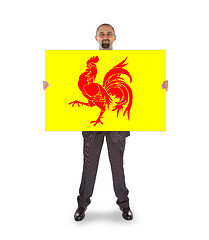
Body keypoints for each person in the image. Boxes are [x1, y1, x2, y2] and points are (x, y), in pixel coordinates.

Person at [43, 23, 168, 222]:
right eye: (102, 34)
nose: (105, 36)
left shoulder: (130, 61)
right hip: (92, 124)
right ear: (96, 38)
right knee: (89, 165)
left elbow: (142, 86)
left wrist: (158, 86)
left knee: (117, 165)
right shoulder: (79, 63)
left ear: (115, 37)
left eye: (108, 33)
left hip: (117, 123)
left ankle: (124, 204)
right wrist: (52, 86)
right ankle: (82, 205)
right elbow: (67, 84)